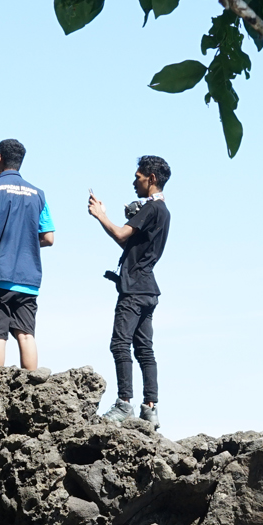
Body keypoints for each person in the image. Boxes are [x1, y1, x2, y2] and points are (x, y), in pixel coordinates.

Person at [87, 154, 170, 428]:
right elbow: (132, 247)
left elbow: (122, 235)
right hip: (148, 289)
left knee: (120, 343)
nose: (134, 182)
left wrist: (101, 216)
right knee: (145, 349)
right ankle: (151, 409)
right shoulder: (164, 212)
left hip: (134, 289)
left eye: (138, 177)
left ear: (152, 178)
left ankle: (124, 404)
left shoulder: (151, 208)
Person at [0, 138, 54, 371]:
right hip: (28, 279)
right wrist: (25, 239)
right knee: (26, 335)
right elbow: (48, 238)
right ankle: (33, 390)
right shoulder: (38, 195)